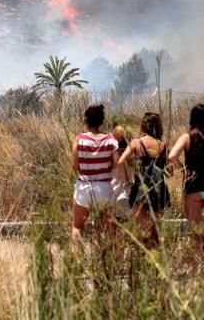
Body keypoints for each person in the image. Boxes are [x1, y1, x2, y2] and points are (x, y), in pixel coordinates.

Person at [168, 103, 204, 260]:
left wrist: (183, 169)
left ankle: (197, 265)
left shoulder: (187, 137)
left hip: (194, 187)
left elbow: (171, 157)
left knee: (196, 231)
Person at [118, 112, 170, 247]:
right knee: (156, 230)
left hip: (140, 190)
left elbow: (120, 161)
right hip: (159, 189)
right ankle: (155, 261)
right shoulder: (163, 145)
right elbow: (170, 171)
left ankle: (141, 259)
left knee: (140, 230)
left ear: (143, 126)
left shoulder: (136, 143)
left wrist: (127, 180)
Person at [71, 104, 119, 243]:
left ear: (86, 120)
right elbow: (116, 163)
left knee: (77, 227)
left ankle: (77, 259)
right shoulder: (110, 139)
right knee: (108, 229)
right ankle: (107, 260)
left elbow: (75, 166)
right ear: (101, 121)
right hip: (105, 188)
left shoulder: (79, 139)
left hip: (84, 188)